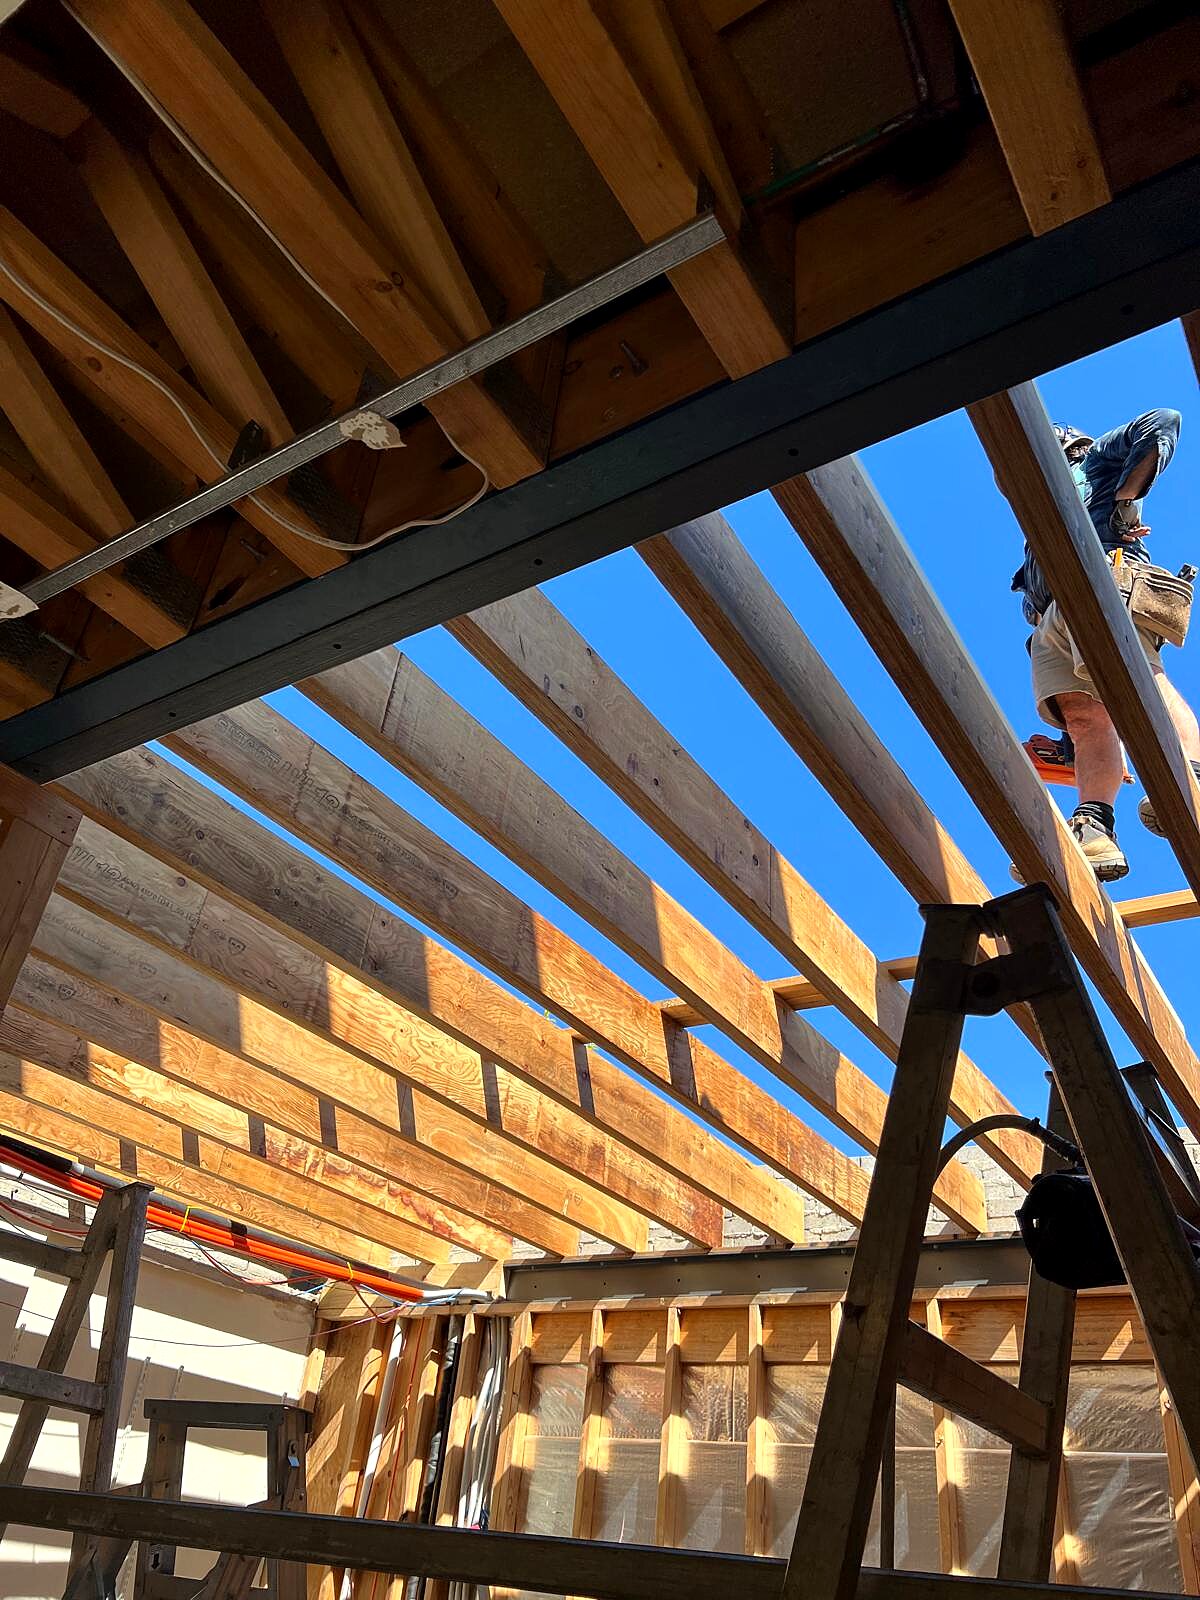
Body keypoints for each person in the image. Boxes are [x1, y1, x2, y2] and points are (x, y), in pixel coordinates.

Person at [1012, 409, 1200, 882]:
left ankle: (1192, 771)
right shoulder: (1039, 516)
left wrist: (1123, 498)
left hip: (1101, 574)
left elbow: (1161, 424)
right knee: (1082, 717)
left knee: (1139, 676)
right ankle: (1095, 827)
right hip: (1053, 611)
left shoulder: (1091, 459)